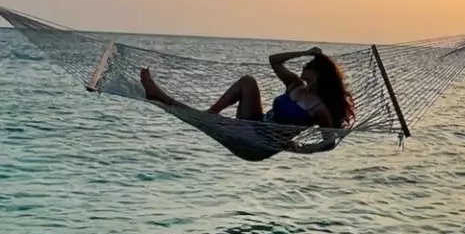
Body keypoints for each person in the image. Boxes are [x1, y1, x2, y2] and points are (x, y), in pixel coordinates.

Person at [139, 47, 355, 154]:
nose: (303, 67)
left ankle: (159, 95)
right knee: (248, 81)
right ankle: (209, 116)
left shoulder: (319, 109)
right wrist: (304, 52)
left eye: (308, 65)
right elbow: (274, 60)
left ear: (318, 74)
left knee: (241, 88)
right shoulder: (295, 84)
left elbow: (329, 143)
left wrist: (299, 148)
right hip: (254, 125)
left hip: (260, 144)